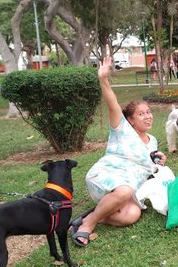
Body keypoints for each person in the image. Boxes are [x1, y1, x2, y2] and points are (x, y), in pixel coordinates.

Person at [71, 56, 167, 247]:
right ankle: (89, 225)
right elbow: (112, 103)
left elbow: (147, 166)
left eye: (149, 112)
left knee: (132, 215)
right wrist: (103, 80)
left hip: (129, 187)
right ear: (130, 120)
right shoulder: (121, 128)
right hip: (107, 177)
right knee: (124, 190)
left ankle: (91, 215)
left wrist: (158, 162)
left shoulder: (153, 140)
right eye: (142, 114)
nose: (148, 117)